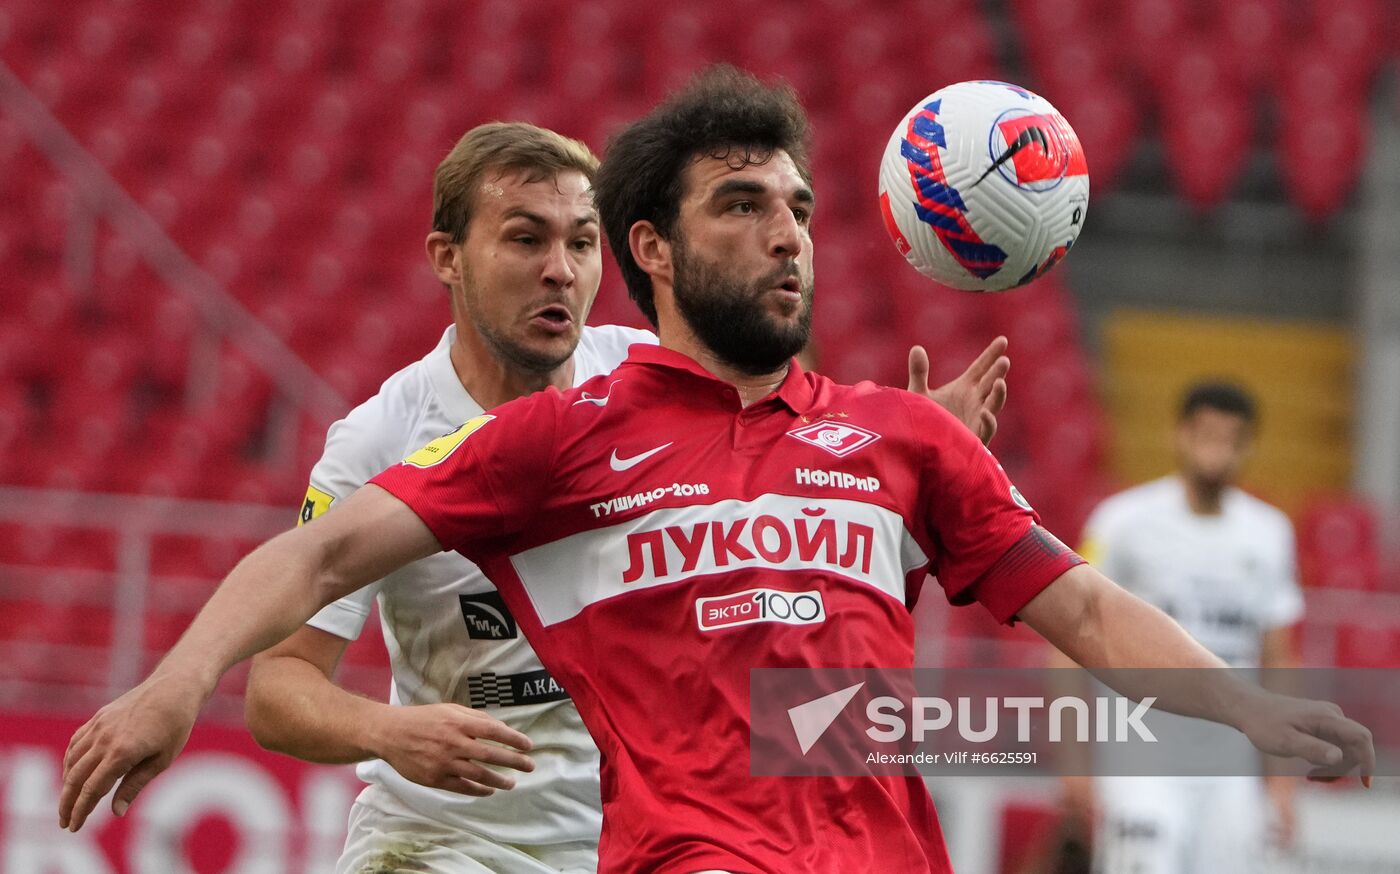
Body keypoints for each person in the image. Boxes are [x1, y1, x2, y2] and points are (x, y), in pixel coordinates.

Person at [60, 68, 1372, 874]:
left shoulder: (897, 438)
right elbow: (319, 553)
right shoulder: (563, 435)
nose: (786, 233)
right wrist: (179, 679)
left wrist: (1249, 710)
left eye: (798, 206)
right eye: (741, 206)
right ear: (665, 249)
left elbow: (1080, 608)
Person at [239, 119, 1011, 873]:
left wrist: (907, 457)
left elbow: (789, 489)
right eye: (525, 239)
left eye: (580, 243)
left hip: (634, 844)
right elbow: (277, 688)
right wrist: (387, 732)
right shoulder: (380, 440)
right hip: (444, 844)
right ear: (448, 257)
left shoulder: (653, 379)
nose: (560, 271)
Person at [1059, 382, 1305, 874]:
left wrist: (1281, 782)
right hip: (1141, 767)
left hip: (1231, 776)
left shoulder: (1271, 534)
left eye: (1232, 437)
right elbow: (1067, 641)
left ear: (1248, 445)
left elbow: (1279, 659)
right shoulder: (1121, 523)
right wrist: (1073, 761)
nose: (1218, 448)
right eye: (1206, 433)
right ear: (1180, 434)